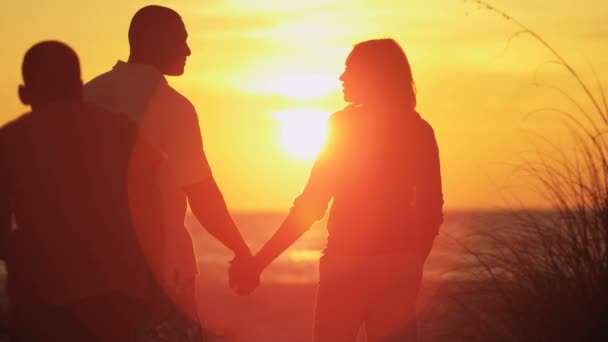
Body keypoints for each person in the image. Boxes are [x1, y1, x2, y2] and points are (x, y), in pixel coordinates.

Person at [231, 39, 444, 342]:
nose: (342, 78)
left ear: (374, 75)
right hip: (394, 266)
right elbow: (431, 211)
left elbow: (311, 205)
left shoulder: (344, 126)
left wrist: (259, 262)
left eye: (350, 70)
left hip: (347, 266)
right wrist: (411, 261)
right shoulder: (418, 129)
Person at [84, 5, 252, 323]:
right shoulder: (173, 107)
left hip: (90, 269)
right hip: (162, 271)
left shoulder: (85, 95)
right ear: (155, 42)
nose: (188, 50)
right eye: (181, 40)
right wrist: (241, 251)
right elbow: (201, 194)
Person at [0, 41, 171, 341]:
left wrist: (22, 257)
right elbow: (155, 218)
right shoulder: (125, 132)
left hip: (43, 302)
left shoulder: (12, 140)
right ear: (79, 87)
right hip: (119, 299)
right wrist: (157, 287)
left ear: (24, 94)